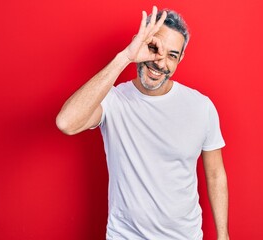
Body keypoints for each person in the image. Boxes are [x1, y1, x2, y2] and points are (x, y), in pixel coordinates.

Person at [56, 6, 229, 240]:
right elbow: (66, 122)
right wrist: (125, 57)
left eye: (172, 55)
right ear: (139, 43)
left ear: (181, 59)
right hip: (125, 235)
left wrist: (223, 235)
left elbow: (216, 174)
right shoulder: (114, 101)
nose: (160, 62)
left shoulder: (201, 107)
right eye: (154, 48)